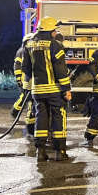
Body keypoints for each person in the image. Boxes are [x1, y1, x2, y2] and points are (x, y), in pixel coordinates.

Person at [22, 16, 73, 162]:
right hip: (54, 90)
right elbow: (60, 70)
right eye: (55, 30)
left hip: (37, 91)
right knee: (58, 117)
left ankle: (40, 151)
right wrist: (66, 89)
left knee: (40, 118)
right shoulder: (55, 45)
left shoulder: (29, 45)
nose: (56, 32)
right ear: (51, 31)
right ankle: (60, 151)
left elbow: (25, 68)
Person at [11, 33, 37, 139]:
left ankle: (15, 111)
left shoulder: (31, 50)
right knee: (27, 100)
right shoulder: (21, 51)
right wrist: (18, 79)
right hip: (24, 80)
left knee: (24, 98)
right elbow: (17, 66)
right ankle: (15, 112)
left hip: (29, 81)